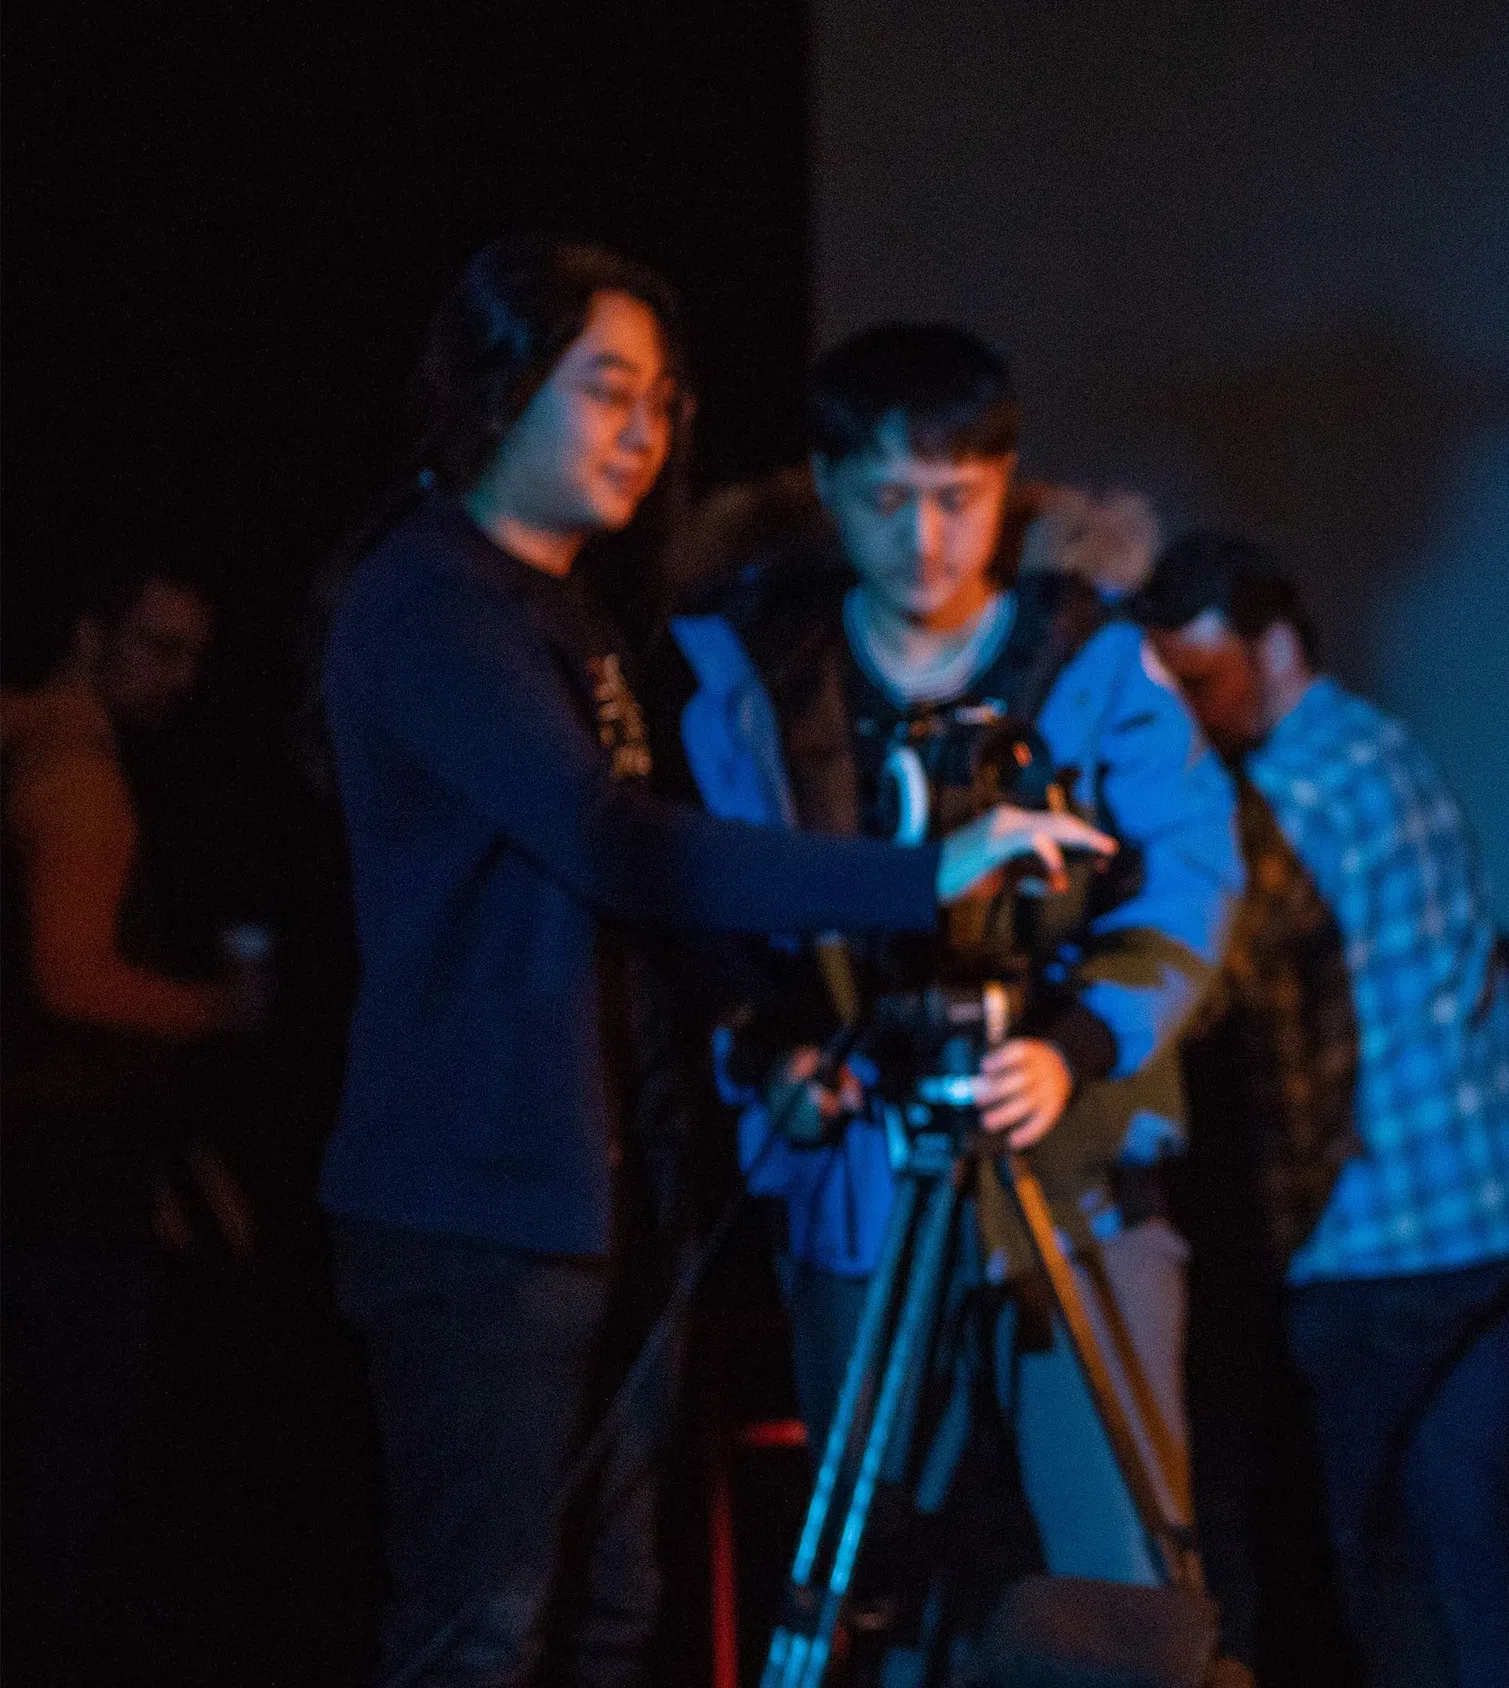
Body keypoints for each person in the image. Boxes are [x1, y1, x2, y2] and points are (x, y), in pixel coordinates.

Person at [315, 240, 1105, 1688]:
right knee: (477, 1631)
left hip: (618, 1195)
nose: (645, 429)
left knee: (620, 1608)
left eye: (663, 400)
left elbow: (637, 908)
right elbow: (613, 846)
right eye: (607, 390)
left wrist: (758, 1033)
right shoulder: (430, 601)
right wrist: (927, 870)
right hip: (481, 1212)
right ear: (499, 387)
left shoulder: (567, 610)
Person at [684, 322, 1238, 1663]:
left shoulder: (1094, 663)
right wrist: (770, 1060)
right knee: (877, 1571)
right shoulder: (751, 678)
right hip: (858, 1184)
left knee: (1116, 1579)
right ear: (826, 488)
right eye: (886, 500)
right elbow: (707, 912)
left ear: (1007, 485)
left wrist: (1080, 1043)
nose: (924, 539)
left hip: (1081, 1176)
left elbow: (1191, 884)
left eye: (957, 498)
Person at [1135, 535, 1509, 1688]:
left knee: (1304, 1550)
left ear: (1275, 647)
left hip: (1393, 1238)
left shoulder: (1284, 799)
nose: (1185, 712)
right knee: (1464, 1528)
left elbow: (1209, 981)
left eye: (1200, 680)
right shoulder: (1379, 742)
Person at [1, 566, 254, 1684]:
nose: (176, 680)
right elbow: (67, 977)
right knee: (58, 1498)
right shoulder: (77, 772)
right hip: (57, 1192)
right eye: (156, 647)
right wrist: (220, 1010)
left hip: (55, 1171)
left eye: (192, 656)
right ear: (89, 629)